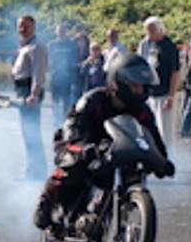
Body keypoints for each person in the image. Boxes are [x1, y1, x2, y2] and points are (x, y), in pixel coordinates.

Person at [31, 53, 174, 230]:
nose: (139, 90)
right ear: (117, 83)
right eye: (134, 85)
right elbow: (72, 128)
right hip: (79, 143)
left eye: (142, 86)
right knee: (75, 163)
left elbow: (153, 138)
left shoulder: (142, 111)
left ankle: (107, 210)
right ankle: (47, 199)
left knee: (133, 170)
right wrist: (81, 148)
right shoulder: (93, 100)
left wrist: (162, 161)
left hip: (115, 151)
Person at [11, 14, 49, 180]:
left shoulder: (36, 46)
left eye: (25, 26)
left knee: (31, 132)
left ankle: (37, 171)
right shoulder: (23, 46)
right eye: (20, 26)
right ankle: (33, 168)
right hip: (22, 91)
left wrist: (34, 94)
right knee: (27, 132)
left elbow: (38, 73)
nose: (22, 29)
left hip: (29, 92)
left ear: (33, 27)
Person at [139, 17, 182, 145]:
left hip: (164, 93)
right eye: (147, 31)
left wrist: (171, 95)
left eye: (152, 31)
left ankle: (169, 157)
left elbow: (175, 72)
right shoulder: (145, 44)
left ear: (160, 30)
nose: (149, 35)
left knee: (166, 131)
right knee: (151, 129)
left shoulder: (169, 47)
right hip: (150, 93)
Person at [47, 23, 79, 121]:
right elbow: (47, 59)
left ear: (66, 32)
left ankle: (65, 121)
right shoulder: (51, 45)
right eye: (59, 31)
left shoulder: (71, 45)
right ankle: (56, 122)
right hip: (55, 77)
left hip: (67, 79)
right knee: (55, 102)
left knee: (66, 102)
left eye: (63, 31)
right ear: (56, 32)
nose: (61, 32)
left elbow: (75, 59)